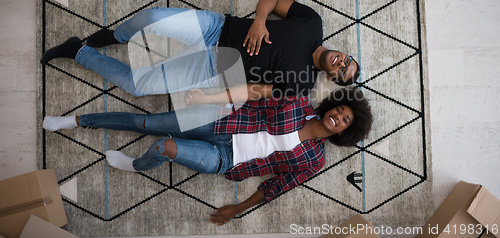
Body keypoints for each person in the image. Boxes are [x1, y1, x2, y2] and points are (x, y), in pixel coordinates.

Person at [43, 87, 373, 225]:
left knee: (165, 148)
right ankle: (75, 121)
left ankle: (136, 166)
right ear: (332, 105)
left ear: (345, 133)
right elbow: (256, 92)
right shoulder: (299, 104)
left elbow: (277, 186)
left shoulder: (314, 160)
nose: (338, 117)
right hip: (218, 120)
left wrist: (237, 209)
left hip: (224, 159)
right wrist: (211, 96)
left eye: (345, 120)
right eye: (340, 110)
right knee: (146, 123)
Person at [40, 0, 360, 103]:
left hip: (214, 68)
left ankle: (79, 51)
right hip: (216, 28)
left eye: (343, 71)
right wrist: (260, 20)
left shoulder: (301, 86)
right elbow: (272, 0)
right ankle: (119, 36)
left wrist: (210, 97)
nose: (342, 62)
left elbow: (251, 91)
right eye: (348, 59)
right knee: (152, 17)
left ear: (333, 78)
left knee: (137, 86)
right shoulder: (313, 24)